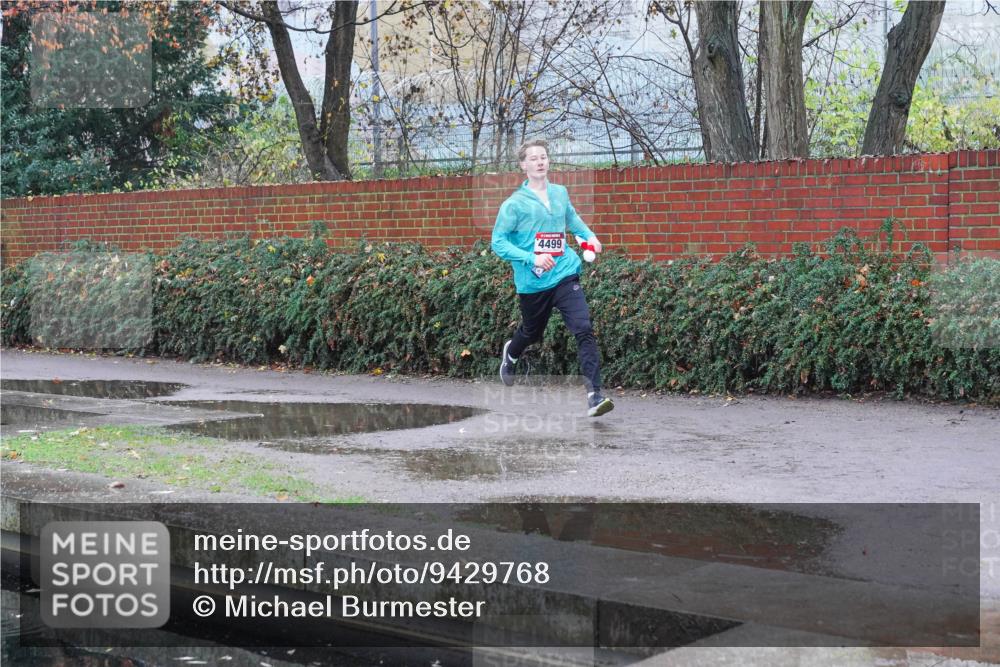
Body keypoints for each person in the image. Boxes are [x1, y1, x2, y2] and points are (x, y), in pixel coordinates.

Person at [491, 139, 614, 417]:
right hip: (533, 281)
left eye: (543, 157)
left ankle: (595, 395)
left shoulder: (560, 192)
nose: (539, 162)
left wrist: (588, 236)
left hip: (564, 273)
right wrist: (531, 257)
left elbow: (572, 219)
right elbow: (498, 242)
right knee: (532, 332)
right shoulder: (514, 205)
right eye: (533, 158)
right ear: (523, 165)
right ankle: (512, 352)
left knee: (583, 328)